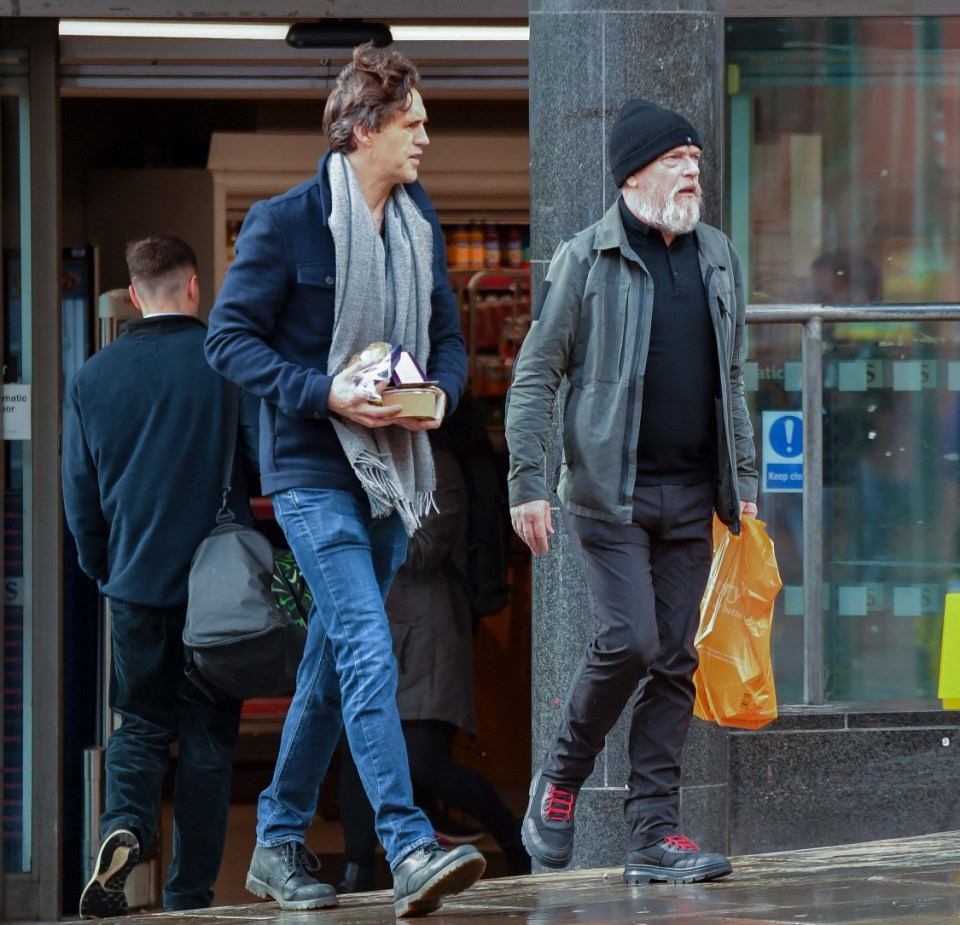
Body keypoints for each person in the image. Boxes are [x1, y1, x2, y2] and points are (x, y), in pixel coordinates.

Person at [204, 43, 484, 917]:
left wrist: (437, 396)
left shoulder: (419, 220)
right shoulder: (285, 222)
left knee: (331, 663)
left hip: (393, 474)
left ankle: (278, 838)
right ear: (363, 128)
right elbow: (228, 340)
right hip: (312, 472)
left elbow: (446, 335)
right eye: (413, 123)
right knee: (366, 644)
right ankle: (406, 842)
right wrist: (323, 390)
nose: (426, 139)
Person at [505, 98, 759, 885]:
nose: (692, 171)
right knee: (631, 640)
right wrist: (527, 480)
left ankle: (654, 834)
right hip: (607, 495)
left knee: (676, 659)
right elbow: (536, 375)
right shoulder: (585, 258)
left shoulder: (717, 254)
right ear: (632, 174)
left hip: (693, 494)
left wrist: (743, 478)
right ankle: (560, 780)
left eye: (696, 160)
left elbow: (734, 377)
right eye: (676, 160)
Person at [62, 233, 259, 917]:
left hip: (136, 586)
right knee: (207, 741)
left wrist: (107, 570)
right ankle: (190, 896)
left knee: (141, 726)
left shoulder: (92, 377)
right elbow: (262, 462)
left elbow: (78, 498)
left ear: (134, 293)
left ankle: (125, 826)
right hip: (222, 593)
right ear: (194, 286)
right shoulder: (225, 364)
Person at [337, 405, 529, 894]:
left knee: (424, 761)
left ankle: (513, 838)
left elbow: (423, 550)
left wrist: (363, 512)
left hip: (428, 634)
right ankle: (357, 871)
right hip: (386, 625)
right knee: (357, 749)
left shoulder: (436, 468)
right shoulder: (380, 465)